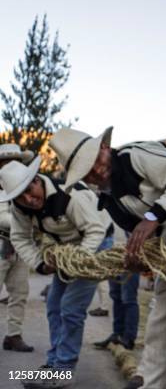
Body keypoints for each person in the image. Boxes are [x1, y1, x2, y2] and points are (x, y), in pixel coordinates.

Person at [49, 126, 166, 389]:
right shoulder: (107, 196)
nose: (96, 170)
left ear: (105, 148)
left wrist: (153, 217)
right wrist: (139, 256)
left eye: (96, 159)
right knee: (158, 324)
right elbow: (137, 230)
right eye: (88, 170)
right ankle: (152, 383)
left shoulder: (137, 156)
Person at [0, 156, 113, 389]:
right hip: (67, 248)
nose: (29, 200)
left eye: (29, 190)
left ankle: (63, 370)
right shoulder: (21, 207)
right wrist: (40, 264)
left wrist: (77, 260)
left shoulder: (69, 194)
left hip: (95, 243)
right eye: (20, 196)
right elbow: (19, 237)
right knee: (54, 304)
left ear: (36, 179)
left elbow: (95, 230)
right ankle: (53, 364)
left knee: (71, 308)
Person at [0, 144, 34, 352]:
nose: (12, 165)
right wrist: (28, 224)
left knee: (20, 292)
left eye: (16, 161)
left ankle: (13, 335)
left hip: (19, 245)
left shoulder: (21, 186)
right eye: (7, 161)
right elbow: (2, 218)